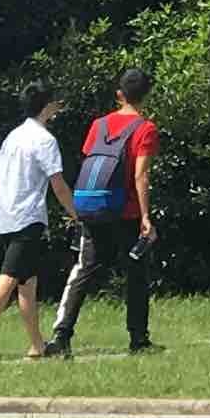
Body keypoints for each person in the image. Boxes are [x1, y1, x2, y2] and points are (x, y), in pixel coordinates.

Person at [49, 66, 163, 359]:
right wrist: (146, 217)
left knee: (84, 270)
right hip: (126, 213)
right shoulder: (145, 128)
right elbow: (140, 176)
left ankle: (61, 336)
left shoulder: (99, 125)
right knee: (136, 273)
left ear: (119, 94)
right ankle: (138, 339)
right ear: (146, 95)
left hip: (92, 207)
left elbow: (90, 163)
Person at [0, 83, 74, 363]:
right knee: (8, 281)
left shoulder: (13, 136)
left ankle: (37, 346)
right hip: (28, 218)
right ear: (46, 106)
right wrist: (76, 213)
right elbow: (57, 184)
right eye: (54, 102)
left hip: (8, 217)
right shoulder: (45, 140)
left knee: (27, 284)